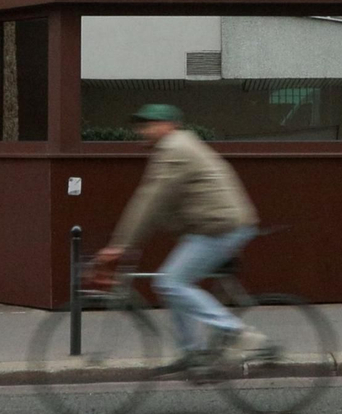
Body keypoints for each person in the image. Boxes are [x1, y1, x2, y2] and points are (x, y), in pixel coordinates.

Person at [94, 104, 267, 372]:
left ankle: (239, 334)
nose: (144, 130)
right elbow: (163, 206)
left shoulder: (175, 148)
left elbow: (149, 200)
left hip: (221, 227)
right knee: (174, 284)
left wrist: (120, 246)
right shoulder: (176, 148)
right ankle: (192, 352)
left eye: (152, 124)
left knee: (170, 282)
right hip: (211, 226)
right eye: (142, 125)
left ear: (171, 125)